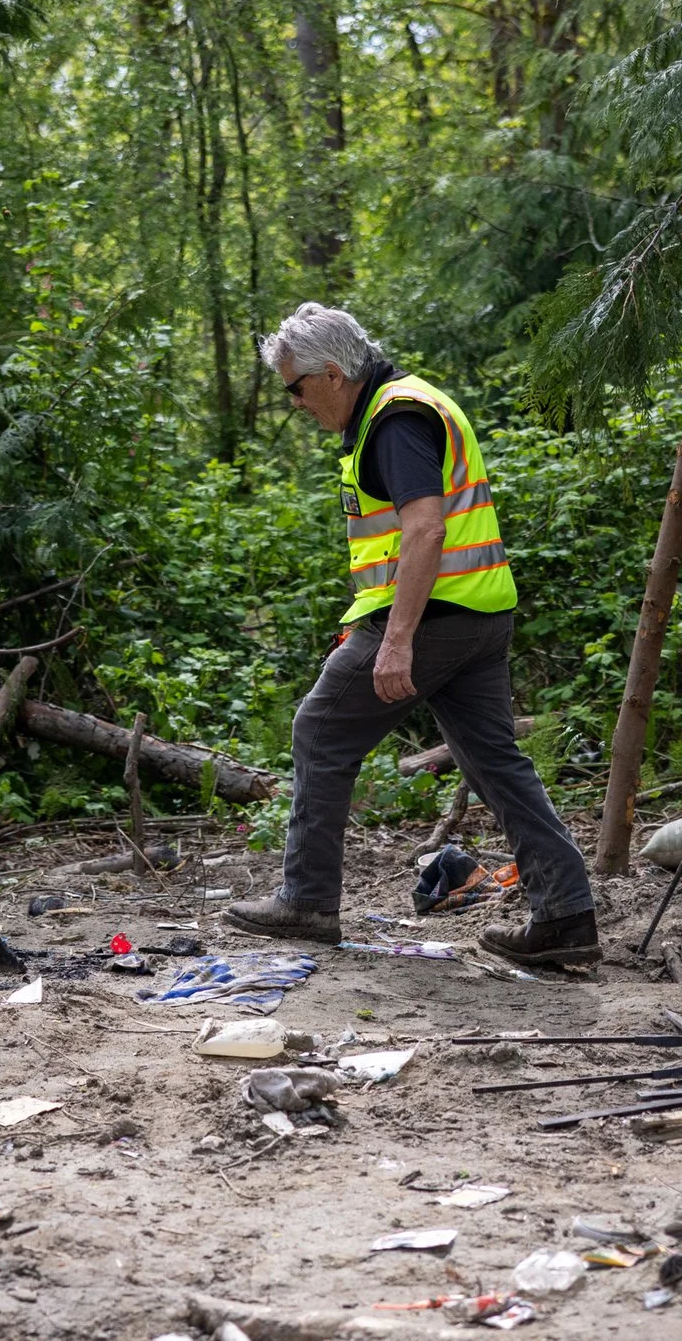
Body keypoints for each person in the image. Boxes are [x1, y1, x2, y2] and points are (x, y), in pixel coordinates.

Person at [224, 303, 599, 968]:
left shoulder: (394, 419)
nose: (295, 404)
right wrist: (369, 623)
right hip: (478, 616)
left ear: (332, 374)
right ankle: (566, 914)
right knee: (494, 763)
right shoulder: (407, 403)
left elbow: (426, 529)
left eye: (296, 389)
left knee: (319, 733)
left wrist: (396, 640)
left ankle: (307, 901)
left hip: (434, 621)